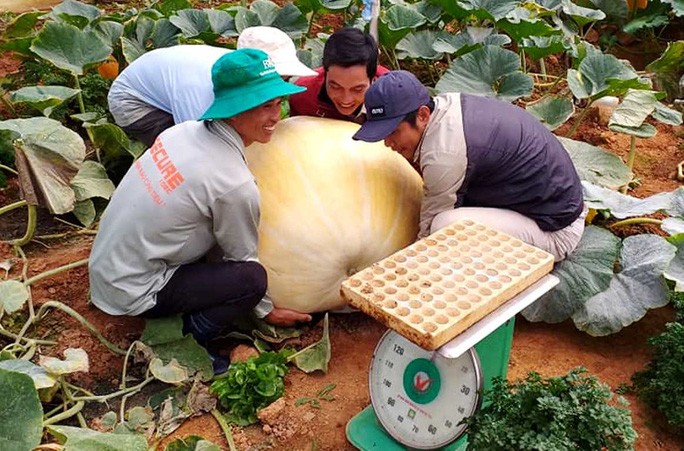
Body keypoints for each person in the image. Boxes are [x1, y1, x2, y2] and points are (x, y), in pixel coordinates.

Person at [90, 49, 313, 374]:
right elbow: (241, 257)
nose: (276, 116)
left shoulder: (181, 132)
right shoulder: (233, 183)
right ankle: (188, 340)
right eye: (265, 106)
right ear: (235, 112)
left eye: (278, 103)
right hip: (136, 288)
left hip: (107, 267)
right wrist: (265, 310)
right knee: (251, 280)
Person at [352, 70, 585, 262]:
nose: (388, 142)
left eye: (393, 132)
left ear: (422, 115)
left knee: (443, 227)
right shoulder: (444, 107)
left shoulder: (444, 152)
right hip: (541, 206)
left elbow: (428, 238)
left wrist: (405, 268)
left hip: (555, 232)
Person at [107, 26, 316, 146]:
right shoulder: (202, 89)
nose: (279, 86)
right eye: (279, 77)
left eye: (285, 79)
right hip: (133, 102)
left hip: (166, 88)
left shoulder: (234, 70)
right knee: (181, 149)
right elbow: (194, 142)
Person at [288, 27, 389, 123]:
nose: (346, 99)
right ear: (325, 72)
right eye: (335, 87)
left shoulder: (393, 97)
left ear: (372, 78)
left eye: (357, 89)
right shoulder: (302, 95)